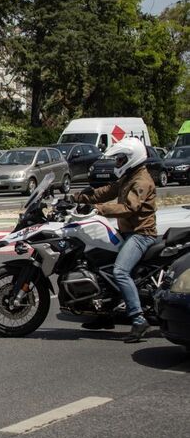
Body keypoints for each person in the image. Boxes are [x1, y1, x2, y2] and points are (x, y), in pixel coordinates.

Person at [75, 137, 156, 343]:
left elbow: (130, 208)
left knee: (120, 271)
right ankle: (104, 314)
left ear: (131, 159)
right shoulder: (129, 176)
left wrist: (98, 209)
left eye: (120, 159)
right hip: (127, 232)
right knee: (99, 264)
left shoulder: (141, 181)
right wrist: (78, 198)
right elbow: (107, 191)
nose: (117, 163)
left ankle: (138, 319)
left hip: (141, 234)